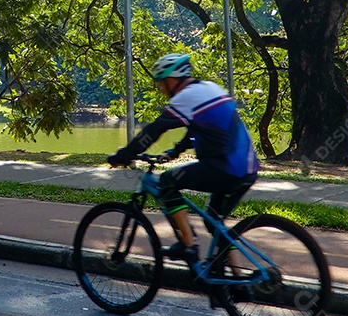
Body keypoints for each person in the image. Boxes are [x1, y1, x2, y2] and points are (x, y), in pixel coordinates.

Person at [107, 53, 259, 264]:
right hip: (247, 168)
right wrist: (175, 151)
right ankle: (236, 282)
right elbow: (200, 130)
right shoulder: (208, 88)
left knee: (168, 181)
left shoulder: (185, 97)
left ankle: (188, 245)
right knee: (214, 223)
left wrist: (125, 154)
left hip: (226, 167)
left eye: (161, 83)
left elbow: (155, 129)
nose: (161, 89)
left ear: (172, 79)